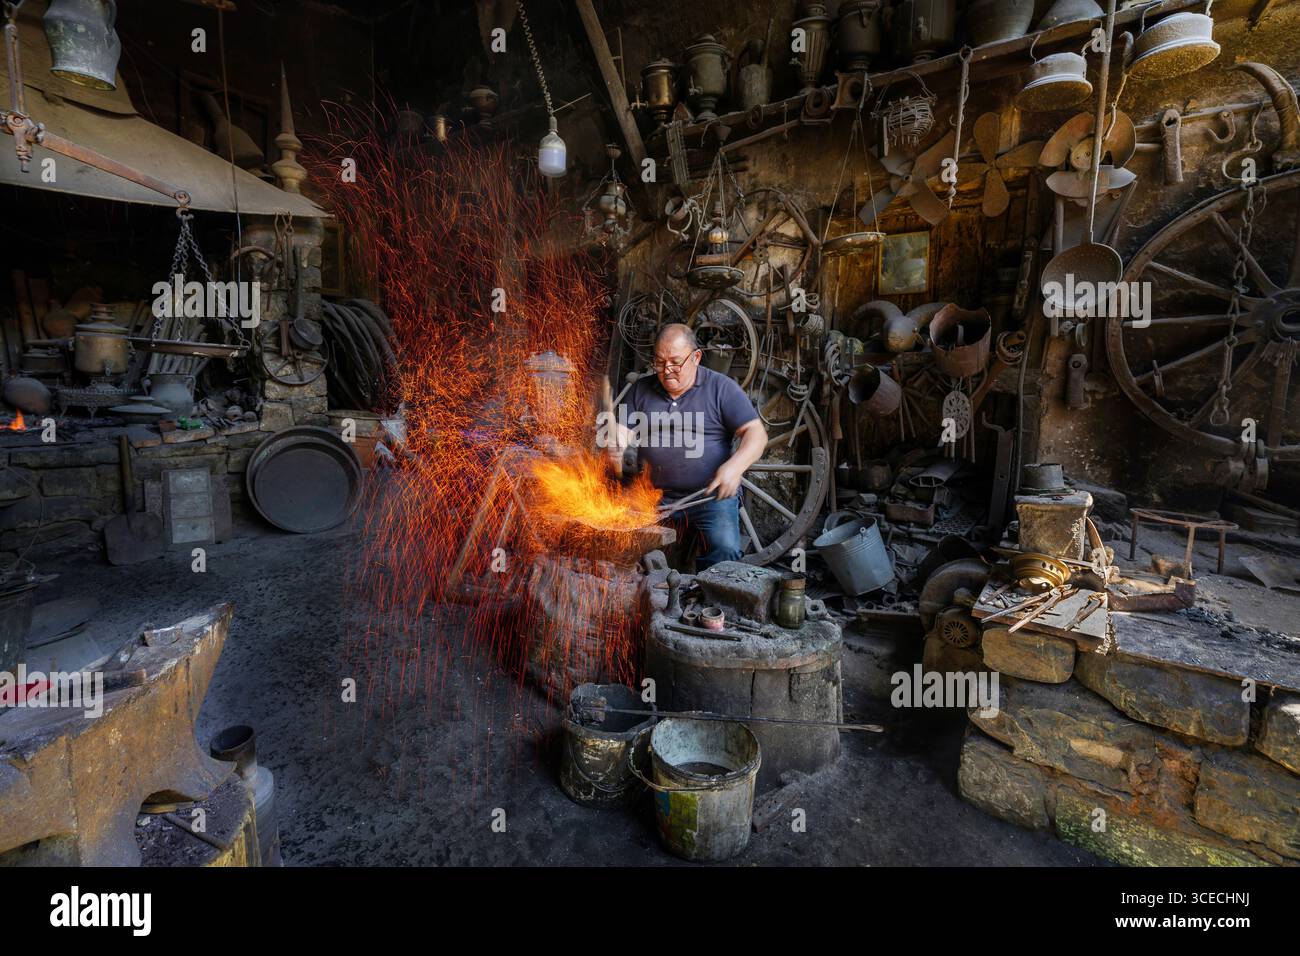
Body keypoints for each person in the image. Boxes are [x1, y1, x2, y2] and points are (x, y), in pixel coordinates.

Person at [608, 323, 767, 570]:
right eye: (659, 362)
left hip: (709, 497)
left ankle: (706, 605)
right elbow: (622, 433)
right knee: (618, 543)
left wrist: (735, 467)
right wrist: (616, 444)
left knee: (724, 550)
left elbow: (757, 434)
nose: (666, 370)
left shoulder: (721, 388)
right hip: (651, 496)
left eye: (675, 362)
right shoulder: (641, 389)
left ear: (696, 357)